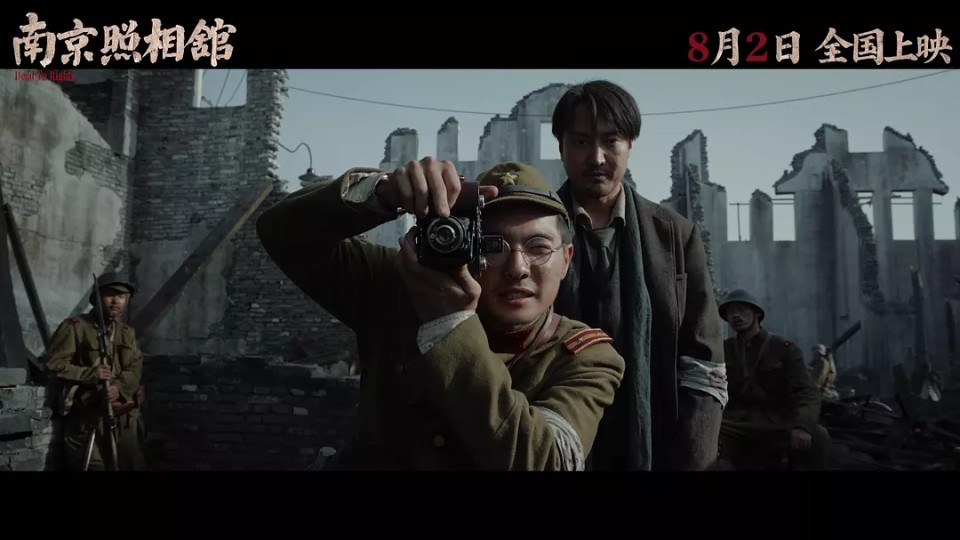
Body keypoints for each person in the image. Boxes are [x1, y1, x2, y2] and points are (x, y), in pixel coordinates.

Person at [256, 158, 626, 470]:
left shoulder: (586, 356)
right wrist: (382, 193)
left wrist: (450, 325)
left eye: (538, 247)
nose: (517, 268)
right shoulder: (402, 286)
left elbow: (547, 462)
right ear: (464, 243)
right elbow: (283, 232)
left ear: (566, 260)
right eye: (492, 245)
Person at [550, 79, 727, 471]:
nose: (596, 157)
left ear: (630, 143)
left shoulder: (675, 236)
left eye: (610, 140)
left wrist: (692, 460)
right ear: (561, 146)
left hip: (658, 444)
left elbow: (703, 363)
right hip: (558, 443)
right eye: (581, 141)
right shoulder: (536, 234)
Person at [716, 288, 829, 470]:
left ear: (757, 314)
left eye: (742, 310)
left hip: (776, 422)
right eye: (731, 312)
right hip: (735, 424)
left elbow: (806, 392)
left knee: (817, 436)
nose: (736, 315)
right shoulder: (723, 350)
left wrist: (802, 425)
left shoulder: (783, 349)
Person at [43, 272, 147, 471]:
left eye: (122, 296)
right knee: (92, 466)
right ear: (96, 298)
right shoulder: (75, 327)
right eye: (110, 295)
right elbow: (53, 364)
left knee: (127, 465)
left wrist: (118, 388)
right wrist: (91, 374)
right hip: (90, 418)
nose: (116, 301)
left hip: (124, 418)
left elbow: (136, 367)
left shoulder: (127, 332)